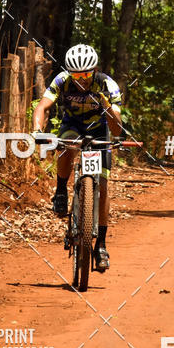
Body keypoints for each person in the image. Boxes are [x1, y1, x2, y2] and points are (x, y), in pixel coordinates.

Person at [32, 43, 122, 271]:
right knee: (66, 145)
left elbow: (118, 129)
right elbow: (43, 107)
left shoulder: (107, 84)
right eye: (77, 75)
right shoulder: (62, 80)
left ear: (94, 70)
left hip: (100, 130)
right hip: (72, 125)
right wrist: (37, 130)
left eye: (86, 74)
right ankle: (61, 190)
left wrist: (108, 107)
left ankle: (101, 244)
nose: (81, 79)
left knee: (102, 185)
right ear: (70, 73)